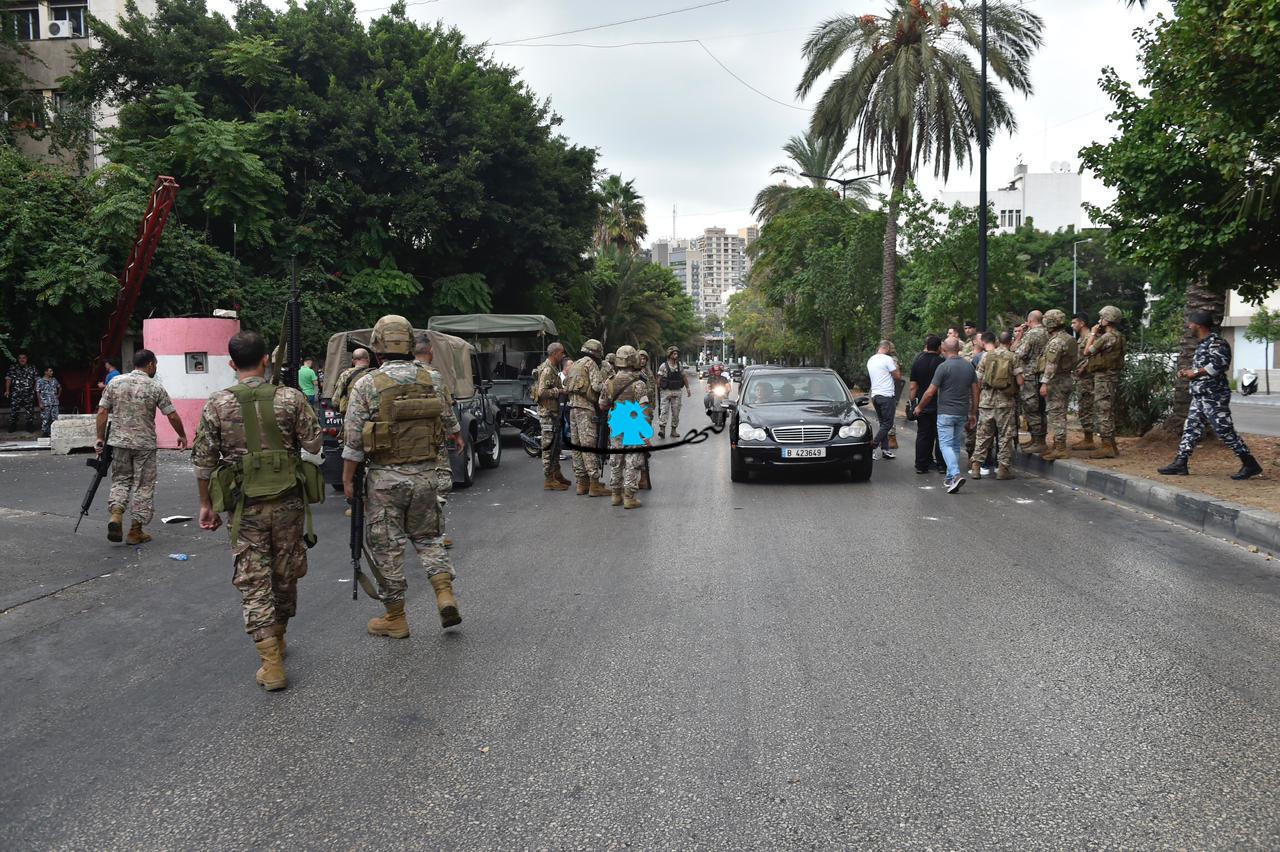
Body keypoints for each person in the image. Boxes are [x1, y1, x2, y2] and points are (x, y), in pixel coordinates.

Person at [192, 331, 322, 692]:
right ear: (266, 359)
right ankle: (278, 637)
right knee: (285, 571)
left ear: (231, 364)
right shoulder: (291, 398)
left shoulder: (217, 403)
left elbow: (203, 463)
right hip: (288, 503)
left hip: (245, 507)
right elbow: (314, 444)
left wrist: (205, 504)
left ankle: (271, 663)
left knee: (253, 580)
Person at [343, 315, 466, 637]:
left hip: (385, 480)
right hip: (426, 476)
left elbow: (353, 442)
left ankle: (395, 618)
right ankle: (444, 594)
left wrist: (347, 480)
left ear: (377, 347)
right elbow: (450, 422)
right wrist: (456, 436)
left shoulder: (367, 384)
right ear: (410, 344)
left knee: (388, 548)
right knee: (429, 539)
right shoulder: (431, 378)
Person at [95, 349, 187, 545]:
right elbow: (171, 415)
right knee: (143, 485)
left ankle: (116, 515)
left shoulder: (115, 382)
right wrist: (182, 435)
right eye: (156, 365)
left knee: (120, 480)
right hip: (144, 444)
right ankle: (135, 531)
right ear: (151, 364)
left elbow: (102, 411)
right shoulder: (155, 387)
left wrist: (99, 438)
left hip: (119, 443)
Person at [1159, 311, 1263, 480]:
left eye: (1191, 323)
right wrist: (1188, 372)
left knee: (1224, 430)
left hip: (1214, 395)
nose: (1189, 326)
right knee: (1190, 429)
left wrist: (1195, 373)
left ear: (1199, 325)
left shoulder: (1217, 343)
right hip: (1200, 395)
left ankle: (1250, 463)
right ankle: (1180, 463)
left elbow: (1219, 365)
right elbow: (1204, 367)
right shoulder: (1203, 344)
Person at [913, 338, 977, 494]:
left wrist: (919, 407)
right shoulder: (969, 366)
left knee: (945, 445)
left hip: (945, 413)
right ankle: (949, 478)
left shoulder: (943, 367)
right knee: (955, 445)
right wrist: (973, 412)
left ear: (943, 349)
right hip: (961, 413)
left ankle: (955, 475)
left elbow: (930, 392)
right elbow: (976, 391)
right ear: (958, 349)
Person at [414, 335, 456, 546]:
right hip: (431, 440)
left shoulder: (389, 376)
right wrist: (456, 432)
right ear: (430, 352)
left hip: (401, 441)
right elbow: (444, 410)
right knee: (442, 482)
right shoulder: (432, 376)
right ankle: (432, 531)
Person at [971, 331, 1024, 480]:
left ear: (998, 341)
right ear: (1010, 341)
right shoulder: (1013, 357)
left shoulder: (986, 356)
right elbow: (1020, 381)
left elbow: (978, 380)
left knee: (983, 436)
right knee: (1005, 437)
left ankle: (976, 467)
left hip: (986, 403)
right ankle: (1002, 470)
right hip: (1005, 404)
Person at [602, 345, 650, 509]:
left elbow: (602, 404)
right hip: (632, 424)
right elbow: (644, 408)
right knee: (632, 460)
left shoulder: (609, 382)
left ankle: (616, 495)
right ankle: (629, 497)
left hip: (616, 422)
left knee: (616, 460)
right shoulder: (638, 383)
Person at [565, 339, 610, 496]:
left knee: (576, 446)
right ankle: (594, 484)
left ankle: (581, 483)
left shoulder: (575, 364)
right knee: (588, 446)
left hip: (572, 409)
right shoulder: (590, 364)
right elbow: (597, 386)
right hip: (585, 409)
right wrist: (608, 385)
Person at [1080, 305, 1126, 459]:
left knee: (1103, 410)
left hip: (1104, 377)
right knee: (1108, 410)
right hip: (1112, 376)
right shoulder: (1119, 336)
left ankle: (1107, 447)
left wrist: (1093, 334)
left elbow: (1087, 352)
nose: (1099, 320)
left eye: (1102, 318)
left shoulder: (1107, 337)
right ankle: (1111, 445)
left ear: (1107, 320)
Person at [1037, 309, 1079, 461]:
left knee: (1057, 415)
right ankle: (1057, 445)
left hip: (1057, 382)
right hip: (1066, 378)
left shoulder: (1056, 342)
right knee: (1060, 413)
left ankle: (1060, 448)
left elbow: (1051, 365)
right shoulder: (1069, 338)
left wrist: (1044, 383)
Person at [532, 342, 570, 490]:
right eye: (561, 353)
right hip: (547, 413)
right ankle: (549, 479)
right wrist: (559, 391)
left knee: (556, 445)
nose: (563, 355)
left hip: (553, 412)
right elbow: (542, 392)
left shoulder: (553, 368)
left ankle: (556, 474)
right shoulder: (548, 369)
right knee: (548, 446)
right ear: (555, 353)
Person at [908, 335, 947, 474]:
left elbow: (913, 386)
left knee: (923, 435)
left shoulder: (918, 362)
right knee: (940, 435)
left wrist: (912, 404)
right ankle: (941, 465)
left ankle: (921, 464)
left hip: (922, 405)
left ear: (926, 346)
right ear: (939, 347)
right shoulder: (942, 362)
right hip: (939, 404)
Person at [1012, 310, 1049, 454]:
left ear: (1030, 321)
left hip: (1030, 375)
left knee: (1031, 408)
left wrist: (1020, 336)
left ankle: (1038, 441)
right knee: (1041, 409)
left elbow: (1018, 352)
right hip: (1042, 375)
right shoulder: (1047, 332)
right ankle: (1037, 439)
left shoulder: (1031, 334)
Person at [866, 340, 901, 460]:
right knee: (888, 423)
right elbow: (897, 376)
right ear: (887, 348)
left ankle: (885, 450)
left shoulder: (871, 359)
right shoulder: (887, 359)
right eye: (891, 349)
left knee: (883, 423)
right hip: (886, 395)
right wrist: (896, 365)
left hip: (875, 395)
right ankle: (872, 446)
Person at [1070, 312, 1097, 451]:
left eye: (1074, 322)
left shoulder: (1090, 337)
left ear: (1082, 323)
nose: (1072, 325)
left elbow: (1094, 355)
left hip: (1088, 379)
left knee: (1086, 408)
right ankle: (1087, 438)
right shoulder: (1081, 339)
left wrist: (1084, 368)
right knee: (1083, 408)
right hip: (1081, 379)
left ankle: (1089, 439)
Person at [656, 345, 690, 439]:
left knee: (676, 412)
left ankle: (673, 430)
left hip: (677, 391)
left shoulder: (679, 366)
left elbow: (684, 377)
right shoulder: (663, 366)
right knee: (664, 410)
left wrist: (688, 388)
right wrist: (659, 388)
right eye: (674, 353)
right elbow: (659, 378)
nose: (676, 355)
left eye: (677, 353)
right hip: (666, 391)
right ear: (669, 355)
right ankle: (662, 429)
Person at [333, 348, 373, 415]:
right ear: (368, 359)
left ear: (353, 361)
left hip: (351, 414)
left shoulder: (345, 375)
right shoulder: (376, 374)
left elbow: (335, 401)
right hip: (371, 413)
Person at [5, 353, 38, 433]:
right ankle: (13, 425)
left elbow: (37, 380)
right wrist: (7, 390)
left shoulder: (32, 368)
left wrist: (34, 389)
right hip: (16, 393)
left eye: (24, 358)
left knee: (29, 410)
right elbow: (8, 379)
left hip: (28, 393)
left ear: (26, 359)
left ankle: (29, 425)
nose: (22, 359)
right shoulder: (13, 368)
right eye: (20, 358)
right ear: (18, 359)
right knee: (14, 410)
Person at [36, 367, 60, 438]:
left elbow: (60, 387)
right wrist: (40, 403)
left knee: (55, 418)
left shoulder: (54, 380)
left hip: (54, 403)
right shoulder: (40, 381)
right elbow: (38, 392)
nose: (52, 372)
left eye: (52, 371)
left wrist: (58, 395)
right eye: (50, 371)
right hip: (45, 403)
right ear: (45, 372)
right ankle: (45, 433)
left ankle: (54, 433)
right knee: (45, 419)